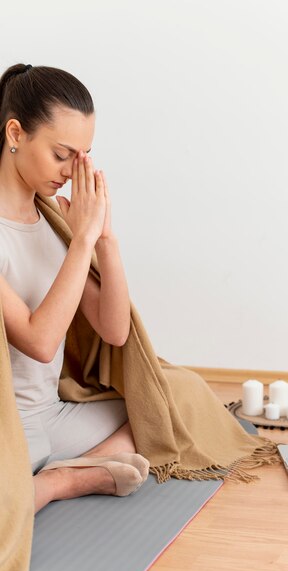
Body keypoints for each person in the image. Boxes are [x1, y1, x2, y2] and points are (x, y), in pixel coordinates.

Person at [0, 63, 150, 514]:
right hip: (9, 428)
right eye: (61, 154)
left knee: (155, 413)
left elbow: (115, 330)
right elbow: (41, 342)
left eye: (82, 157)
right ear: (15, 133)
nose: (70, 171)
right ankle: (66, 477)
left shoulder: (52, 220)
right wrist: (81, 239)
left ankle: (56, 481)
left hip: (52, 416)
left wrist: (104, 239)